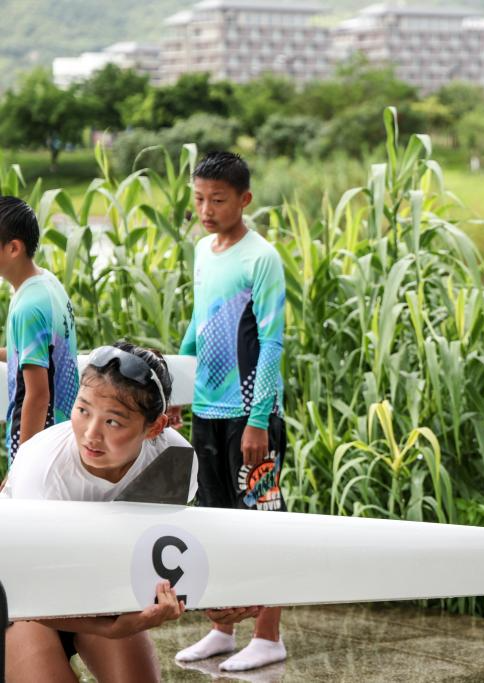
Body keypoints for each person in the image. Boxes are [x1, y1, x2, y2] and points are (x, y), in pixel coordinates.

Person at [1, 341, 194, 683]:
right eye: (83, 410)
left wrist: (222, 606)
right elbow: (23, 591)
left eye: (113, 422)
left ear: (155, 427)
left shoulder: (173, 461)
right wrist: (110, 627)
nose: (91, 435)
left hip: (96, 589)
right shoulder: (43, 467)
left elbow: (159, 550)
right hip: (18, 597)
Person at [169, 151, 288, 672]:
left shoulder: (261, 258)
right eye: (198, 199)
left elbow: (273, 341)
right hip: (208, 410)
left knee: (263, 520)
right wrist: (176, 388)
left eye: (217, 200)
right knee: (215, 519)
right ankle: (222, 629)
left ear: (244, 199)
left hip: (249, 413)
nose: (206, 210)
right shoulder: (203, 251)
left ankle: (268, 636)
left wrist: (259, 419)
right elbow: (198, 324)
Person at [0, 196, 79, 462]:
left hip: (39, 440)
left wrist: (23, 463)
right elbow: (36, 352)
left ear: (13, 248)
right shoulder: (46, 283)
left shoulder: (28, 308)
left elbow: (37, 395)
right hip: (61, 432)